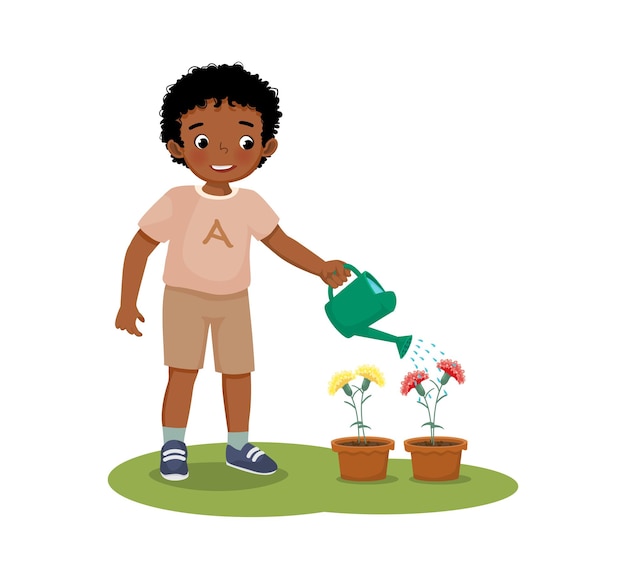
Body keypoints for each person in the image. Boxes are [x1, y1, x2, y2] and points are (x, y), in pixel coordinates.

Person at [115, 63, 350, 480]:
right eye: (203, 140)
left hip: (234, 302)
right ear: (177, 145)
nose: (222, 154)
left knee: (239, 374)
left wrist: (320, 268)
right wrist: (126, 302)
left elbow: (280, 242)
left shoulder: (251, 203)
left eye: (242, 140)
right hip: (184, 299)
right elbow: (140, 247)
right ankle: (173, 444)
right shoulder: (176, 200)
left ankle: (238, 446)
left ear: (266, 147)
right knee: (183, 373)